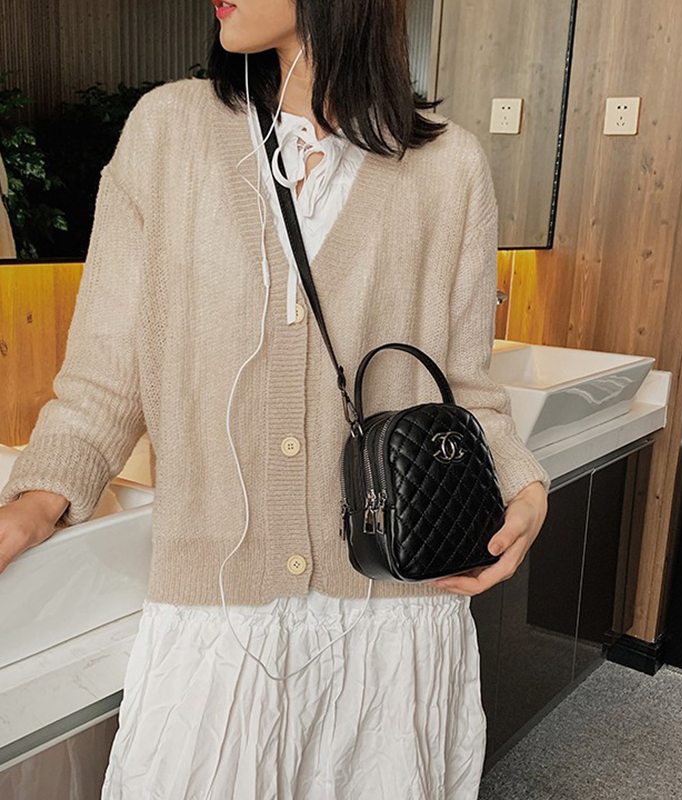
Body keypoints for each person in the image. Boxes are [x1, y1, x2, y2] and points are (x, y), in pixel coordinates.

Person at [0, 0, 550, 797]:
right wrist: (39, 496)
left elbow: (464, 387)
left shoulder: (450, 167)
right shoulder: (167, 135)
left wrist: (521, 481)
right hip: (219, 625)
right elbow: (106, 373)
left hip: (393, 616)